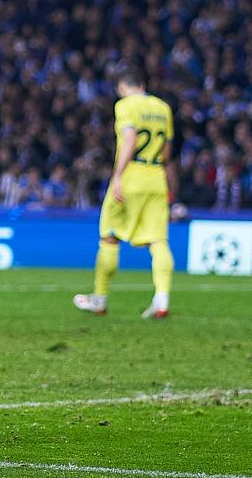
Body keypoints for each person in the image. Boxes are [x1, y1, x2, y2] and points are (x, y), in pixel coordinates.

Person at [73, 70, 176, 318]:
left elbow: (129, 139)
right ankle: (161, 300)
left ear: (122, 87)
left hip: (131, 176)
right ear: (143, 84)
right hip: (156, 178)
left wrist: (117, 176)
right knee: (158, 240)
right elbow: (167, 152)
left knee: (110, 236)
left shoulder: (125, 105)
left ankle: (99, 298)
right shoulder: (163, 107)